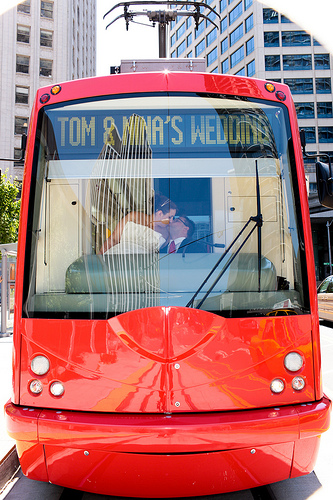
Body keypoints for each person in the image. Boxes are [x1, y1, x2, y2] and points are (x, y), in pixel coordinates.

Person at [98, 194, 177, 254]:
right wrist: (98, 259)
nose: (171, 221)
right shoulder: (134, 217)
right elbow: (113, 239)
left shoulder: (167, 234)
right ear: (160, 213)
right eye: (170, 217)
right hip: (117, 258)